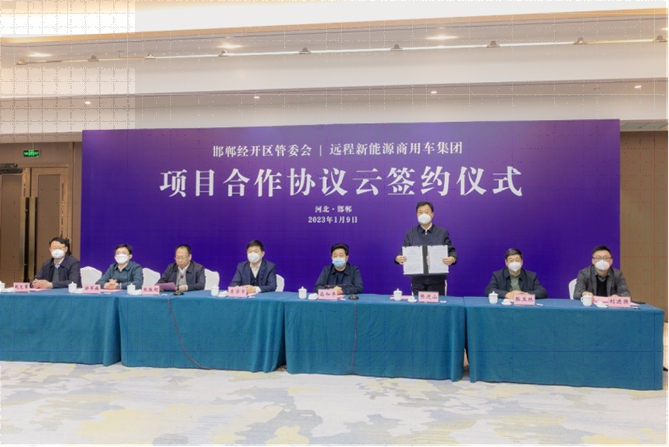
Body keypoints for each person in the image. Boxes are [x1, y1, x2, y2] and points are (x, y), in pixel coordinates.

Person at [394, 201, 457, 295]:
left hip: (437, 280)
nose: (423, 215)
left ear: (432, 214)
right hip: (417, 280)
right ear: (417, 215)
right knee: (418, 304)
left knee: (437, 304)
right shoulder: (410, 233)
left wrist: (452, 258)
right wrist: (398, 258)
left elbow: (451, 251)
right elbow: (402, 252)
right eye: (420, 212)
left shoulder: (442, 232)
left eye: (426, 212)